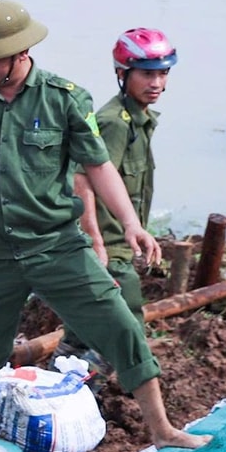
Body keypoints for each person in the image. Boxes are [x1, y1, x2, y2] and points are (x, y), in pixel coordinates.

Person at [0, 0, 208, 452]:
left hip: (56, 246)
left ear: (21, 53)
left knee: (122, 327)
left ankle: (163, 431)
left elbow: (97, 166)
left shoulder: (64, 99)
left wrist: (131, 224)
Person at [70, 28, 176, 331]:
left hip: (123, 246)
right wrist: (95, 243)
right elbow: (81, 181)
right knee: (130, 330)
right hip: (110, 250)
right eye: (146, 74)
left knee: (88, 332)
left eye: (163, 73)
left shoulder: (138, 121)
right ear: (122, 73)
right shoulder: (114, 123)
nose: (156, 83)